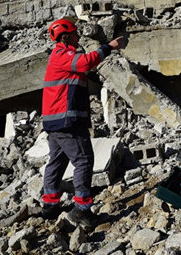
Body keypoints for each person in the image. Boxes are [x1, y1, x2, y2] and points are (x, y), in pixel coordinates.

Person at [41, 17, 125, 227]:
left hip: (55, 121)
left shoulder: (58, 55)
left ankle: (50, 204)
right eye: (75, 33)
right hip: (66, 121)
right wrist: (109, 47)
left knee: (57, 160)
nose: (79, 37)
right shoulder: (63, 53)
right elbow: (85, 63)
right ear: (65, 36)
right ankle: (82, 210)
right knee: (84, 161)